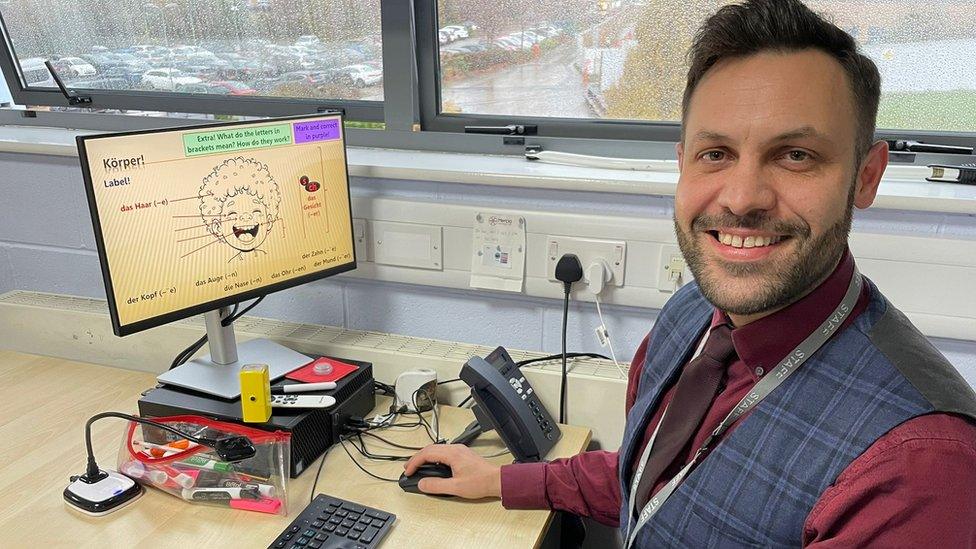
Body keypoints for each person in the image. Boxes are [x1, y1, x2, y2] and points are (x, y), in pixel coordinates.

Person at [405, 0, 976, 546]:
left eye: (795, 155)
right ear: (682, 164)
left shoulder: (921, 465)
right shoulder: (691, 316)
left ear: (866, 177)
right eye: (716, 153)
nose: (743, 198)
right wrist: (503, 482)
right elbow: (652, 479)